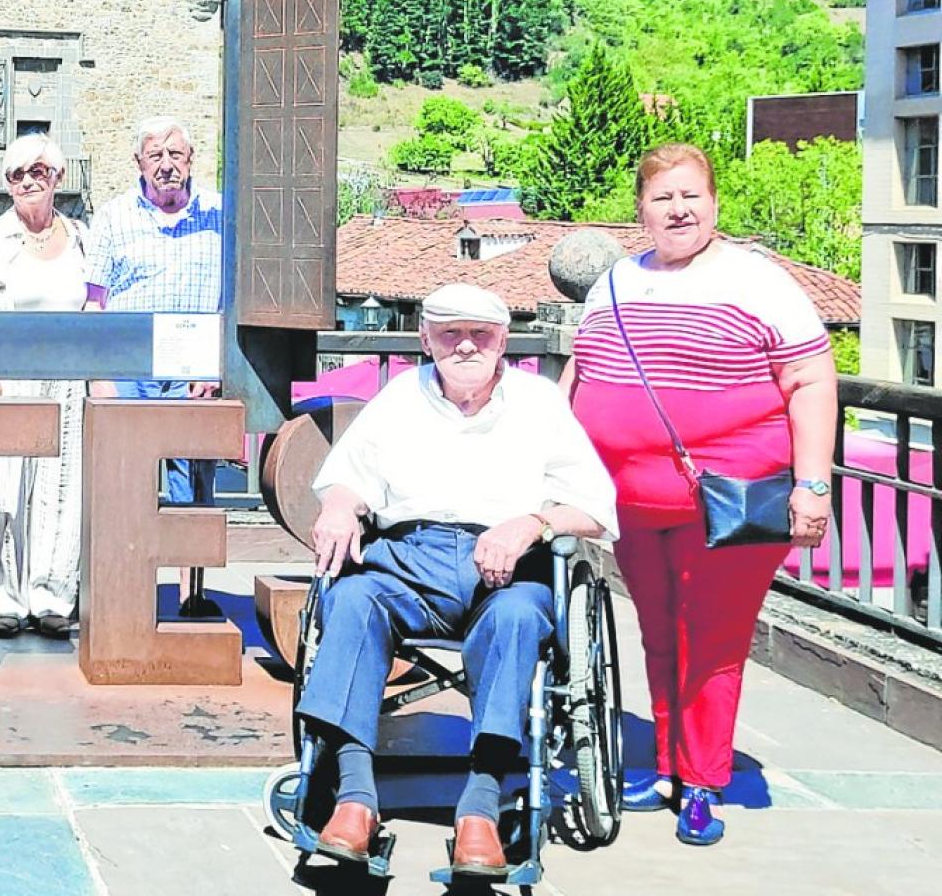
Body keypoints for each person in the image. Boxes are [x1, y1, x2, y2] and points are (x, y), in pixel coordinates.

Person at [563, 142, 835, 846]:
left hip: (733, 497)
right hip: (629, 501)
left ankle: (702, 781)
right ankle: (664, 766)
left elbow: (809, 382)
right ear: (641, 212)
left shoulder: (759, 281)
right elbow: (580, 373)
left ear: (714, 203)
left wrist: (812, 485)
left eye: (691, 195)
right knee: (657, 633)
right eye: (663, 198)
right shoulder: (616, 281)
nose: (678, 209)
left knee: (710, 638)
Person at [298, 283, 618, 879]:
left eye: (481, 335)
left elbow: (596, 509)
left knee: (521, 616)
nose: (465, 346)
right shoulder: (398, 398)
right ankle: (354, 799)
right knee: (350, 600)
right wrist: (340, 506)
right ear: (425, 341)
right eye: (449, 334)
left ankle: (480, 808)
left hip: (505, 565)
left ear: (503, 343)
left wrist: (533, 522)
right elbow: (347, 478)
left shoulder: (541, 403)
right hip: (405, 559)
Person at [85, 115, 225, 616]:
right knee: (126, 488)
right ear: (138, 163)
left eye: (176, 155)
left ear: (192, 160)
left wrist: (215, 369)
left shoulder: (220, 215)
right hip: (127, 373)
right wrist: (99, 378)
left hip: (193, 374)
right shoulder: (113, 217)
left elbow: (234, 301)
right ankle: (127, 594)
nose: (166, 165)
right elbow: (94, 303)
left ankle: (193, 594)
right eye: (155, 155)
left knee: (194, 490)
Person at [0, 134, 93, 639]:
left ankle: (54, 595)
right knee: (7, 490)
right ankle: (4, 596)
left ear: (58, 177)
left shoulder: (82, 237)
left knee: (62, 491)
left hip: (66, 381)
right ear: (7, 183)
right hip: (10, 379)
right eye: (18, 173)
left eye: (39, 170)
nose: (29, 180)